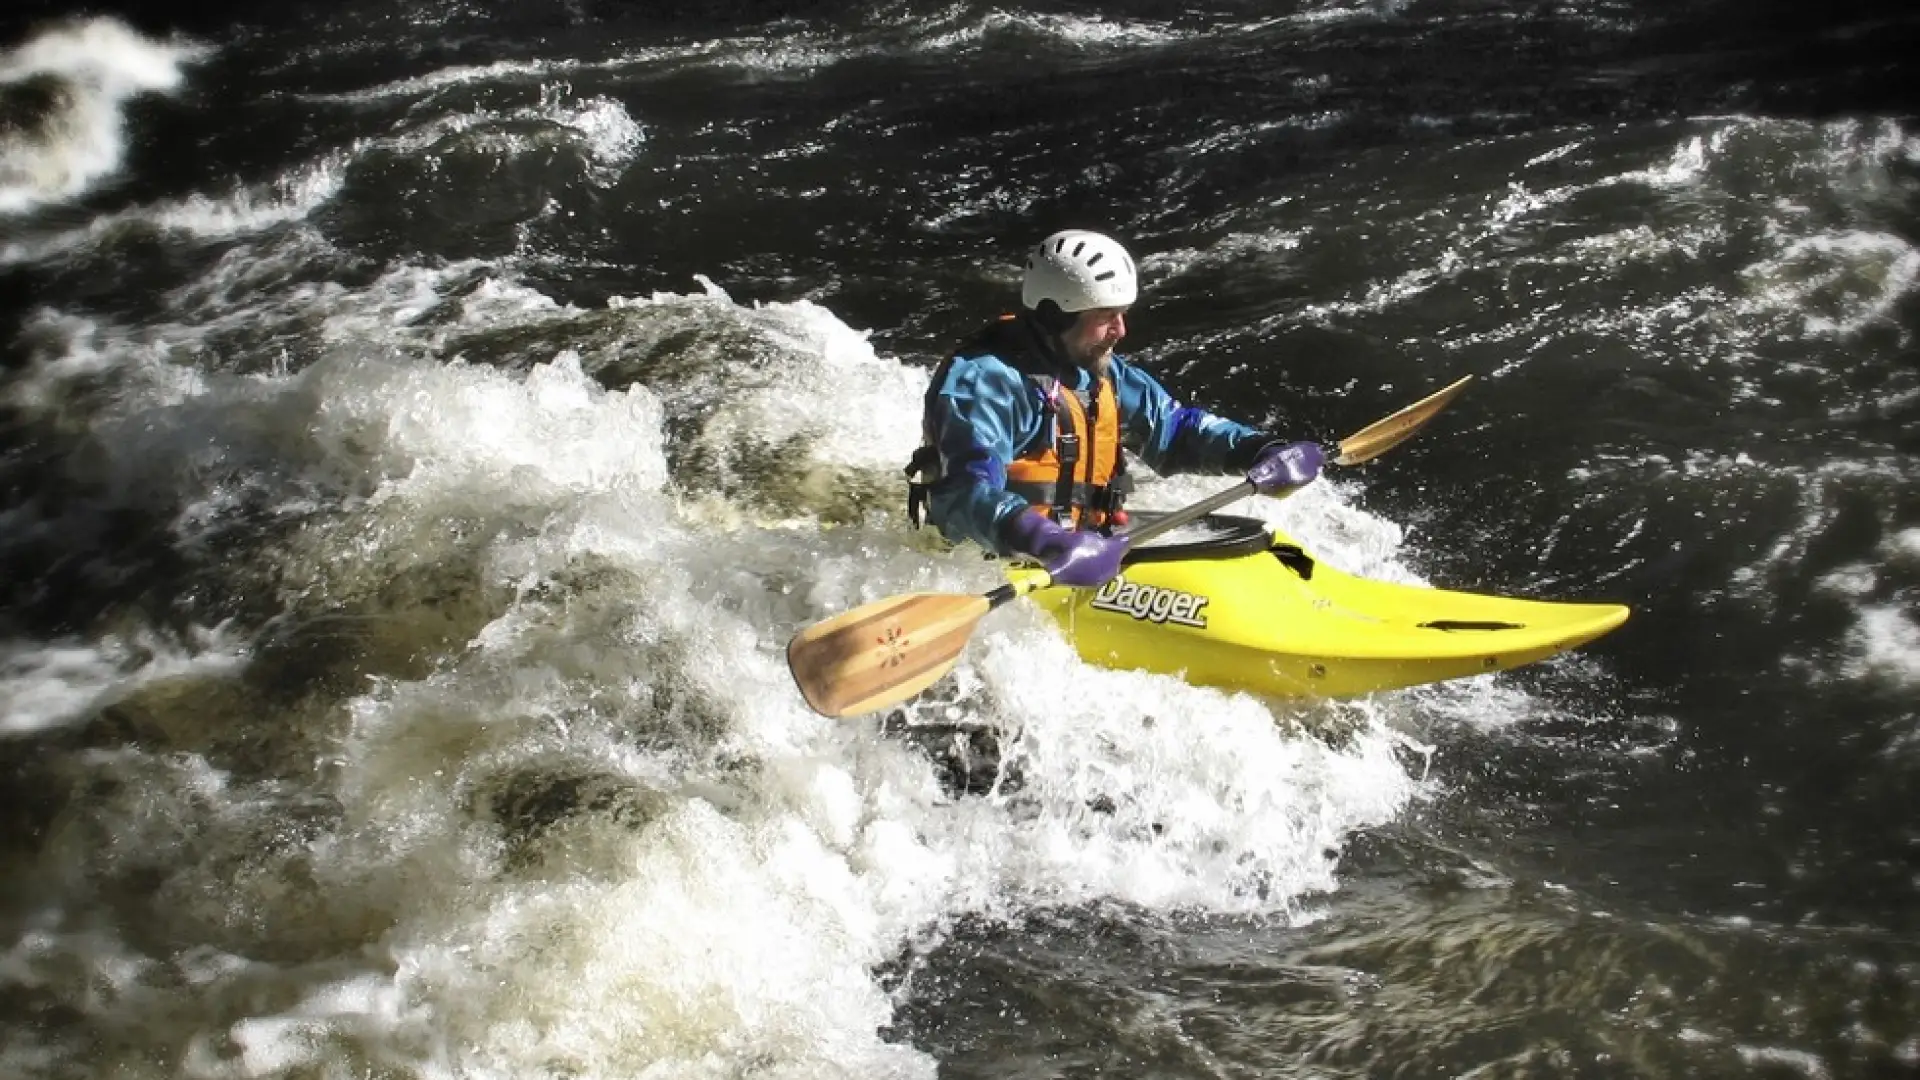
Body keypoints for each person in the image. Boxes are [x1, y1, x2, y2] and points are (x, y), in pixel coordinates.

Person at [905, 229, 1325, 587]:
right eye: (1106, 315)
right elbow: (964, 491)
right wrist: (1042, 540)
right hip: (1007, 561)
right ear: (1054, 317)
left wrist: (1260, 449)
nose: (1121, 330)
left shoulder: (1099, 372)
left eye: (1122, 314)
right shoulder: (987, 383)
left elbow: (1176, 431)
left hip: (1088, 545)